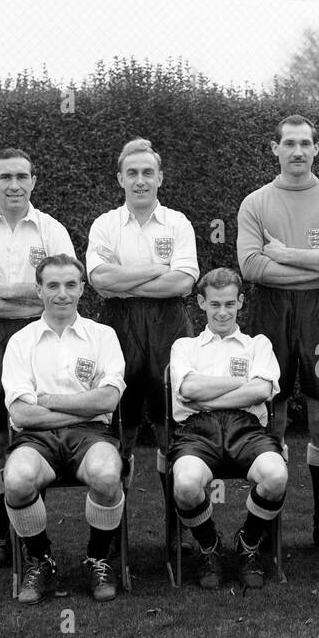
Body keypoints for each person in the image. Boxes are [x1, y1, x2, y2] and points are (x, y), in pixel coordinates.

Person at [237, 114, 319, 548]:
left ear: (316, 149)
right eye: (289, 143)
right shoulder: (255, 202)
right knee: (268, 411)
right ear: (274, 149)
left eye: (305, 143)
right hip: (269, 310)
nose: (297, 151)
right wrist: (316, 264)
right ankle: (267, 524)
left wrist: (287, 255)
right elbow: (252, 266)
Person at [0, 147, 76, 572]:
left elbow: (64, 289)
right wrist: (29, 297)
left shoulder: (52, 230)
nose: (14, 185)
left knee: (34, 437)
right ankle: (1, 539)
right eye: (5, 177)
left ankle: (34, 542)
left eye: (22, 177)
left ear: (34, 181)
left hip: (41, 337)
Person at [0, 256, 127, 604]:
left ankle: (98, 558)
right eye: (52, 285)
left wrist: (50, 400)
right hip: (36, 439)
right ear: (39, 289)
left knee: (105, 474)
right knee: (16, 480)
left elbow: (108, 399)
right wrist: (81, 405)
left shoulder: (103, 336)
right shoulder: (20, 342)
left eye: (71, 284)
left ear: (82, 288)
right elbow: (22, 413)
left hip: (92, 436)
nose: (62, 294)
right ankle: (41, 559)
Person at [167, 267, 288, 590]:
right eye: (215, 304)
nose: (223, 312)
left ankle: (248, 544)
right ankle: (209, 546)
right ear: (201, 303)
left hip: (247, 429)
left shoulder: (257, 344)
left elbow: (261, 392)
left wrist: (209, 395)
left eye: (230, 304)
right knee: (187, 485)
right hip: (196, 431)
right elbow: (188, 389)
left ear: (241, 303)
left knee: (276, 477)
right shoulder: (184, 347)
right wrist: (240, 385)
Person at [86, 138, 198, 459]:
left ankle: (176, 508)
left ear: (159, 178)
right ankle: (117, 506)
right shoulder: (105, 224)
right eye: (131, 173)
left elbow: (183, 283)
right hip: (119, 325)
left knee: (172, 424)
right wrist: (154, 270)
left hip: (170, 323)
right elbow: (101, 281)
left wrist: (124, 280)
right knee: (122, 424)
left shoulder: (178, 223)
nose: (140, 180)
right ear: (120, 179)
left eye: (147, 172)